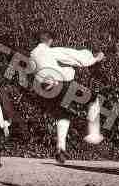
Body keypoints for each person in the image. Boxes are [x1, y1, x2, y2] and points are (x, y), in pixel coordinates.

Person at [29, 32, 105, 164]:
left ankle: (61, 147)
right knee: (93, 99)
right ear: (50, 41)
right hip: (61, 84)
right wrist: (95, 58)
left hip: (44, 90)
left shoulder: (32, 55)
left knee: (63, 114)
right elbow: (77, 58)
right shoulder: (51, 51)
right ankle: (93, 133)